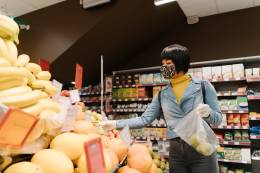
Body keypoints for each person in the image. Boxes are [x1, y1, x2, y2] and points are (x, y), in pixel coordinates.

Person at [100, 44, 222, 173]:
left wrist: (208, 113)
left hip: (201, 148)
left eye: (168, 63)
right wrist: (114, 123)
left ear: (180, 63)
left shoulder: (203, 86)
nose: (164, 67)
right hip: (176, 152)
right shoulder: (162, 95)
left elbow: (218, 119)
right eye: (162, 63)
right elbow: (144, 119)